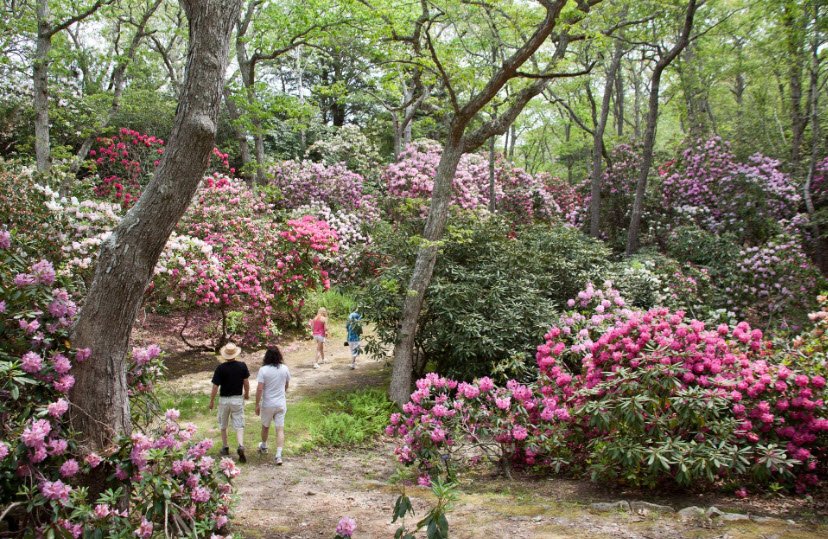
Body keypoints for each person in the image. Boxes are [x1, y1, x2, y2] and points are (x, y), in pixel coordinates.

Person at [209, 342, 250, 463]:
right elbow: (246, 382)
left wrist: (212, 400)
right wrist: (246, 393)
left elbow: (215, 387)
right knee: (239, 423)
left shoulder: (220, 368)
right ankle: (240, 445)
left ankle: (225, 447)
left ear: (225, 355)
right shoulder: (242, 366)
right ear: (235, 354)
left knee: (223, 423)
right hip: (237, 398)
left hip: (224, 400)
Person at [255, 347, 291, 465]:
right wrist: (282, 392)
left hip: (268, 404)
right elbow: (286, 384)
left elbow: (260, 389)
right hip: (280, 403)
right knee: (279, 429)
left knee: (265, 426)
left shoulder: (263, 370)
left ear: (267, 357)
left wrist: (257, 404)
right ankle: (278, 455)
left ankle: (264, 446)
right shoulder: (284, 368)